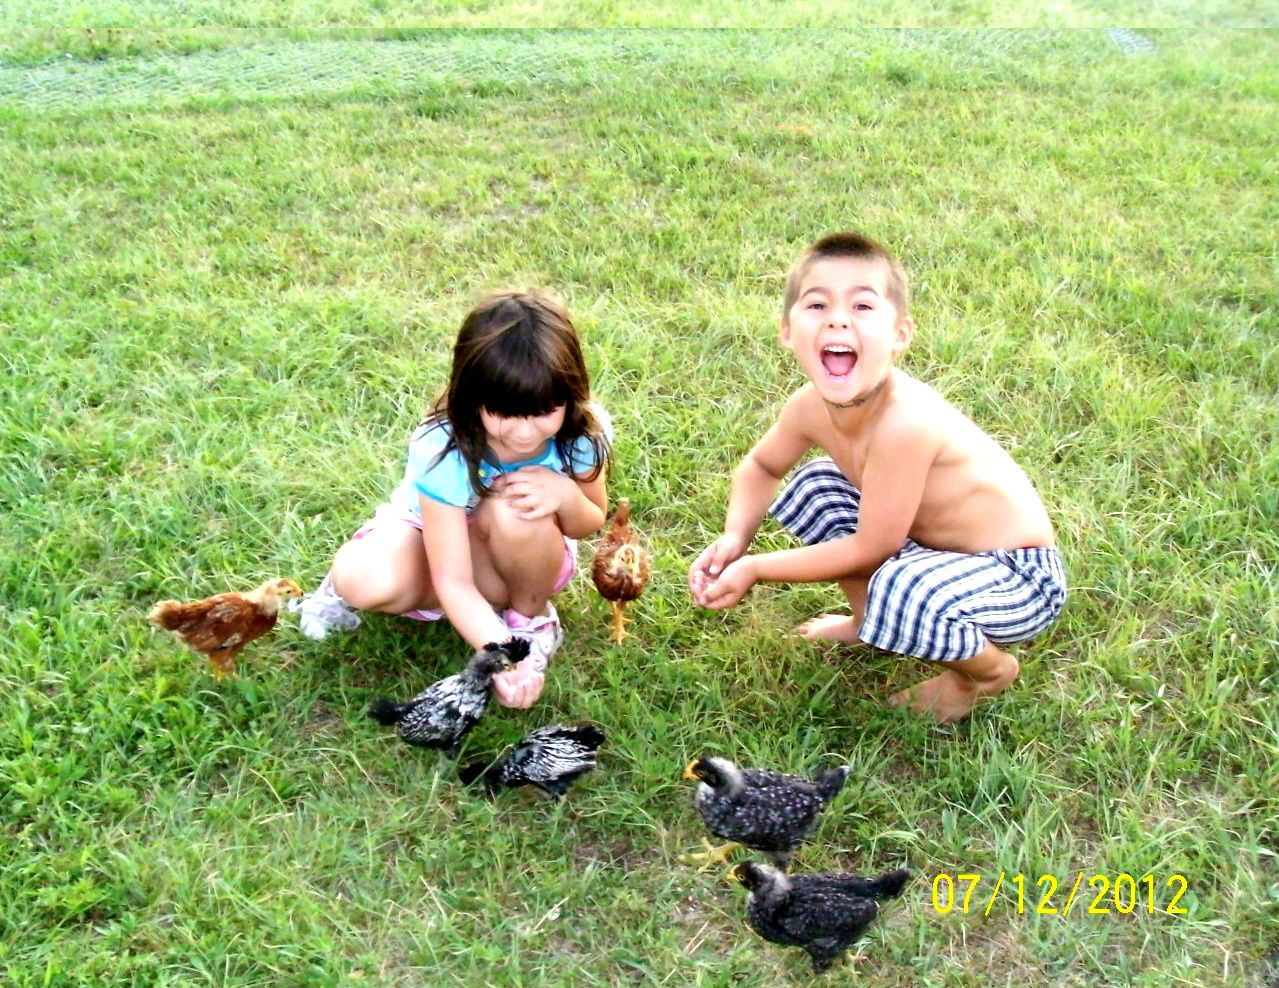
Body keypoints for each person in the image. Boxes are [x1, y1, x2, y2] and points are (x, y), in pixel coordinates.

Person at [688, 232, 1065, 723]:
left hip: (1018, 578)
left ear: (899, 335)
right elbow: (763, 466)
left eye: (862, 306)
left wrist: (755, 567)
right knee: (819, 487)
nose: (838, 319)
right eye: (817, 304)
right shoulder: (808, 407)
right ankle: (870, 622)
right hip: (938, 552)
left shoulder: (904, 423)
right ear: (787, 331)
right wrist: (735, 537)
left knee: (902, 584)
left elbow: (873, 548)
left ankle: (986, 674)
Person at [294, 290, 611, 709]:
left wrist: (567, 495)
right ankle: (345, 586)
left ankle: (528, 621)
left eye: (543, 412)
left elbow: (591, 519)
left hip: (520, 558)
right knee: (367, 579)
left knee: (517, 507)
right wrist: (499, 654)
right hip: (430, 541)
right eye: (504, 413)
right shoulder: (444, 444)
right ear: (471, 396)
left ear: (571, 392)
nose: (524, 432)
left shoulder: (582, 432)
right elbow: (453, 579)